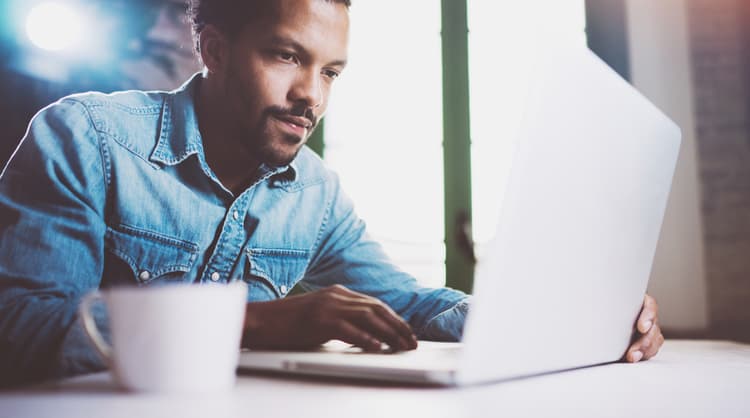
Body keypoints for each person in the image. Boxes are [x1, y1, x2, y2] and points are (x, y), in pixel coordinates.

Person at [0, 0, 663, 386]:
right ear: (216, 49)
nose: (310, 96)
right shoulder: (85, 136)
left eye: (332, 71)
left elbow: (404, 300)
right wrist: (248, 322)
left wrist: (571, 316)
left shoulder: (314, 191)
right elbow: (19, 328)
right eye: (287, 56)